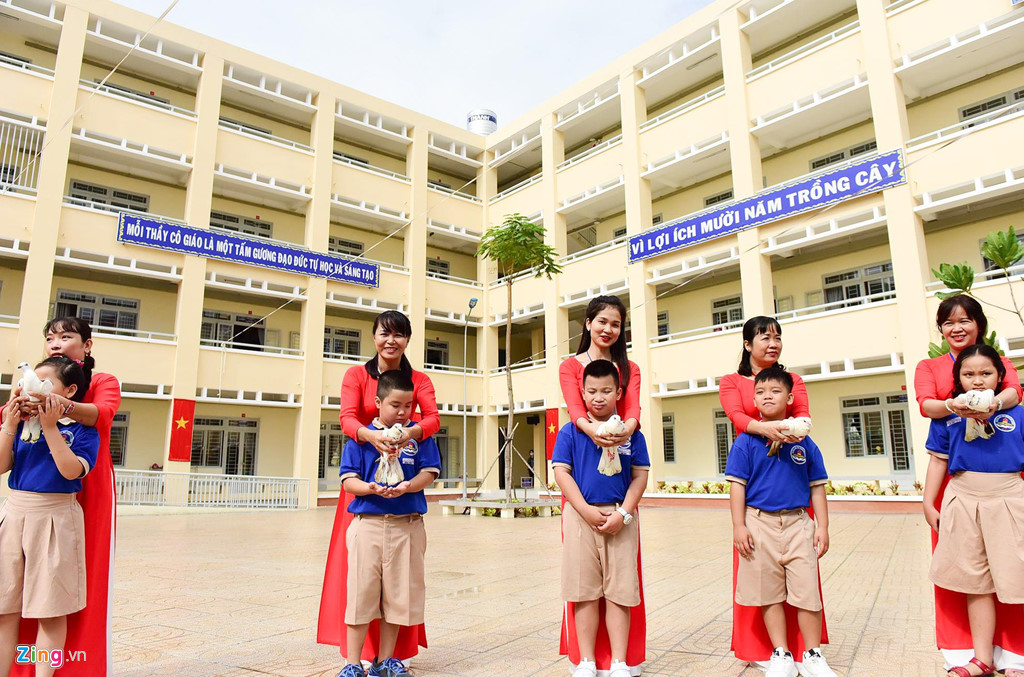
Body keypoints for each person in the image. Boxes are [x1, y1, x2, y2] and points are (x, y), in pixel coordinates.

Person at [319, 311, 439, 665]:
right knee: (359, 577)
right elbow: (346, 418)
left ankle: (390, 657)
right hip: (365, 485)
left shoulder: (419, 379)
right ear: (374, 337)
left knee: (399, 582)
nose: (391, 341)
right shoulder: (356, 375)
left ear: (408, 340)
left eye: (399, 335)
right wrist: (375, 437)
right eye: (385, 333)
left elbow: (432, 419)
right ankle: (356, 658)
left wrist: (404, 435)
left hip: (404, 486)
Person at [913, 296, 1024, 673]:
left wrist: (993, 404)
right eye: (949, 322)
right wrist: (929, 502)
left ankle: (1016, 655)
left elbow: (1015, 392)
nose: (957, 327)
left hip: (1009, 493)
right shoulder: (934, 377)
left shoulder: (1012, 405)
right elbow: (929, 412)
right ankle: (977, 654)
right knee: (971, 577)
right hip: (960, 493)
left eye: (966, 319)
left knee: (1015, 574)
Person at [6, 317, 121, 677]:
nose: (56, 343)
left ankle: (74, 668)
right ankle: (20, 668)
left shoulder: (100, 382)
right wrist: (19, 410)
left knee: (62, 595)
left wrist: (53, 409)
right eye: (50, 338)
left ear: (87, 345)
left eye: (66, 336)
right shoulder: (32, 386)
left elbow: (100, 415)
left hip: (84, 484)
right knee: (10, 601)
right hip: (24, 499)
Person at [717, 316, 825, 666]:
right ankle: (766, 650)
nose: (772, 343)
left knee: (802, 582)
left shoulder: (793, 380)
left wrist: (789, 430)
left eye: (777, 337)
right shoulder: (732, 381)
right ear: (747, 344)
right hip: (754, 483)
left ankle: (808, 652)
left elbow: (804, 419)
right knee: (761, 583)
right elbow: (737, 417)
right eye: (764, 337)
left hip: (790, 482)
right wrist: (771, 429)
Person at [557, 296, 646, 674]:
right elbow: (576, 411)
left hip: (620, 500)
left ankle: (622, 661)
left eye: (616, 323)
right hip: (584, 502)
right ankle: (589, 660)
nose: (608, 329)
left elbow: (634, 413)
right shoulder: (570, 368)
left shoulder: (630, 368)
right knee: (585, 589)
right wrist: (596, 432)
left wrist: (622, 431)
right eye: (601, 321)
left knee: (621, 588)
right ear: (588, 323)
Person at [335, 371, 441, 677]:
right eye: (396, 405)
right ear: (378, 402)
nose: (403, 412)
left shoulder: (417, 438)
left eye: (408, 406)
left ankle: (386, 660)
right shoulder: (363, 438)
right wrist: (370, 488)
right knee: (360, 596)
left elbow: (430, 473)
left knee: (397, 597)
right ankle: (353, 663)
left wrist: (409, 486)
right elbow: (348, 481)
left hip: (406, 525)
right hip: (368, 524)